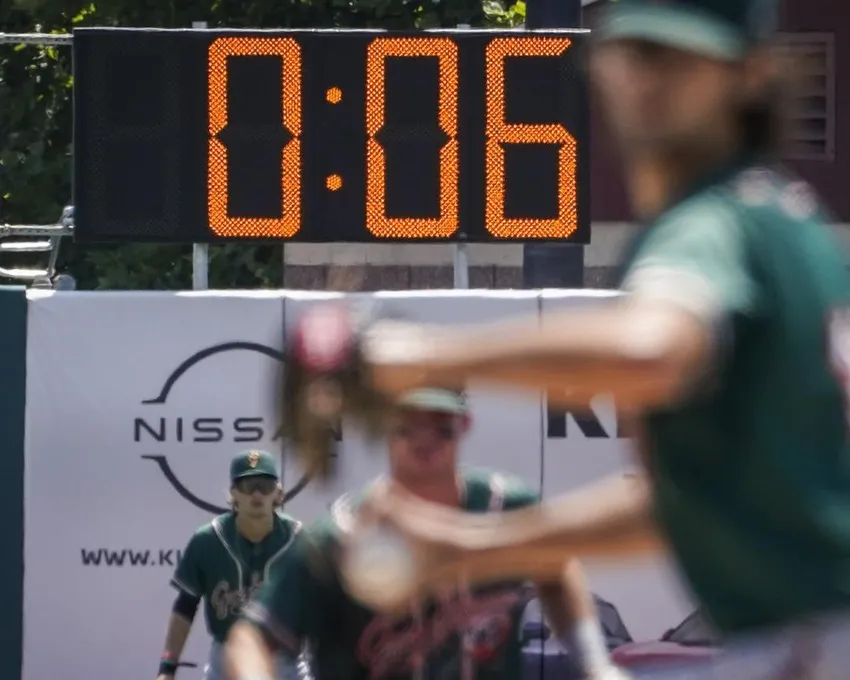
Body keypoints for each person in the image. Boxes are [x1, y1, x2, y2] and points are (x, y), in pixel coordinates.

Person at [275, 0, 850, 671]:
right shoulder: (793, 230)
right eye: (632, 53)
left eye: (682, 58)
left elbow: (653, 352)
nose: (648, 78)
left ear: (751, 75)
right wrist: (468, 549)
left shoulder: (709, 226)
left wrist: (404, 358)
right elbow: (673, 507)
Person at [225, 388, 622, 680]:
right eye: (409, 422)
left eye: (438, 422)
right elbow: (253, 638)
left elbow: (555, 567)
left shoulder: (505, 509)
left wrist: (594, 662)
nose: (424, 436)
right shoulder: (341, 537)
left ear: (463, 423)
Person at [154, 450, 305, 680]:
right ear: (233, 493)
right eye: (248, 485)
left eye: (264, 485)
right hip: (226, 659)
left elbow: (324, 607)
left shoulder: (299, 540)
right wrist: (167, 668)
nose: (256, 494)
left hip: (285, 660)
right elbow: (186, 605)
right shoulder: (208, 540)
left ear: (278, 493)